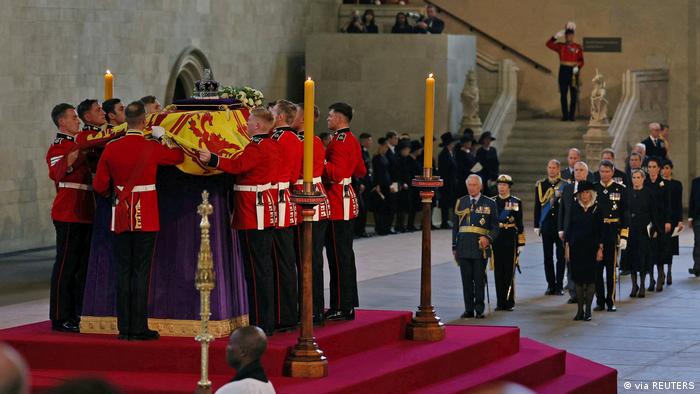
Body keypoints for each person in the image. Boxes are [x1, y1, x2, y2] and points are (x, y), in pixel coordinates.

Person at [94, 101, 184, 340]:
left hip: (121, 212)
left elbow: (100, 186)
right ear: (144, 121)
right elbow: (177, 156)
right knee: (141, 271)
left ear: (126, 121)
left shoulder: (112, 147)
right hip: (147, 213)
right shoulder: (150, 146)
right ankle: (139, 327)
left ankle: (125, 328)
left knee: (123, 270)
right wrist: (163, 138)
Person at [198, 107, 278, 335]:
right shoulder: (271, 144)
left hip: (253, 211)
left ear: (259, 126)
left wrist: (212, 158)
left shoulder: (256, 147)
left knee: (255, 272)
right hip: (263, 209)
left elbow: (237, 166)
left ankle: (260, 323)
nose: (246, 124)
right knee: (263, 270)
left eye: (250, 121)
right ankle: (265, 321)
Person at [46, 103, 95, 333]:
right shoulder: (58, 146)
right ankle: (59, 316)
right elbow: (57, 172)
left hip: (85, 211)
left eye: (77, 117)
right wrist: (81, 145)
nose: (77, 121)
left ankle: (76, 313)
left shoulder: (79, 143)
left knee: (80, 267)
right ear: (61, 122)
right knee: (65, 266)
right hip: (67, 212)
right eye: (73, 118)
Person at [323, 102, 367, 321]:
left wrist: (320, 161)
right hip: (346, 199)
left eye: (330, 116)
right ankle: (348, 304)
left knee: (338, 257)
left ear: (340, 118)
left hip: (336, 202)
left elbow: (337, 174)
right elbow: (360, 169)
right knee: (345, 256)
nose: (327, 119)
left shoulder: (339, 142)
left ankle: (341, 305)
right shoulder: (351, 139)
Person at [291, 103, 331, 324]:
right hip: (318, 199)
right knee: (313, 259)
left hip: (305, 199)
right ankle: (314, 308)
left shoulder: (303, 141)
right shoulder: (315, 140)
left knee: (306, 258)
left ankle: (308, 308)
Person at [269, 99, 302, 331]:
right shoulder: (295, 139)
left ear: (280, 117)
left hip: (277, 200)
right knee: (286, 262)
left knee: (279, 262)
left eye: (272, 111)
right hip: (287, 201)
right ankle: (289, 312)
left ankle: (282, 314)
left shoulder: (277, 139)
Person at [453, 175, 499, 319]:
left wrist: (488, 238)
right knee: (466, 280)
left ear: (480, 187)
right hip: (464, 246)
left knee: (479, 280)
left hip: (480, 247)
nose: (471, 187)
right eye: (469, 185)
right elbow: (456, 227)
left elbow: (495, 227)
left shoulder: (489, 203)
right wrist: (454, 246)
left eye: (474, 185)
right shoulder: (461, 202)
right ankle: (468, 309)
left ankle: (479, 309)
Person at [564, 181, 603, 321]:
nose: (585, 195)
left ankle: (588, 311)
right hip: (576, 248)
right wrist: (567, 247)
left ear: (591, 194)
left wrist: (600, 249)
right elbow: (569, 229)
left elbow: (601, 231)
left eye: (587, 192)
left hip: (592, 249)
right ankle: (579, 310)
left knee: (590, 280)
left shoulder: (598, 209)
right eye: (582, 193)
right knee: (578, 281)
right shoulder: (574, 207)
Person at [594, 160, 628, 312]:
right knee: (596, 269)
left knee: (610, 269)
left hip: (613, 231)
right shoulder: (594, 189)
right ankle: (600, 301)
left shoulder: (620, 189)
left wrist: (624, 235)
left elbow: (625, 214)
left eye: (607, 171)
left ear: (613, 172)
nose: (605, 174)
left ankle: (611, 300)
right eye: (602, 171)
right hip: (597, 232)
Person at [558, 161, 590, 303]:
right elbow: (562, 211)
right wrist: (561, 229)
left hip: (586, 232)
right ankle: (573, 293)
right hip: (570, 232)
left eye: (581, 170)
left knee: (584, 262)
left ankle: (584, 291)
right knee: (570, 262)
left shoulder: (592, 189)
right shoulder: (568, 189)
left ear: (587, 173)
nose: (578, 172)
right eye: (576, 170)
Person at [492, 175, 525, 311]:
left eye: (504, 185)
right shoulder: (492, 201)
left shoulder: (516, 202)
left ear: (509, 187)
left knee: (509, 272)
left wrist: (521, 243)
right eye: (499, 184)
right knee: (498, 272)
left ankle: (509, 301)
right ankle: (500, 302)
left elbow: (520, 223)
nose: (502, 187)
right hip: (496, 239)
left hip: (510, 238)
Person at [534, 159, 566, 296]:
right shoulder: (541, 184)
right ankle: (550, 285)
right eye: (549, 167)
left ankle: (559, 285)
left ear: (558, 169)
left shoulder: (565, 185)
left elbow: (566, 208)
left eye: (554, 167)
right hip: (546, 225)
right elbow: (537, 205)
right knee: (547, 257)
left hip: (560, 226)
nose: (551, 170)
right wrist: (536, 224)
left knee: (561, 257)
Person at [215, 326, 275, 394]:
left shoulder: (234, 389)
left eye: (230, 343)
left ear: (242, 352)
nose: (227, 348)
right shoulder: (268, 386)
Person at [627, 169, 657, 297]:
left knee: (643, 258)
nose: (636, 180)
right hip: (630, 229)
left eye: (639, 177)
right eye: (634, 177)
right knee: (631, 258)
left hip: (643, 230)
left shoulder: (649, 193)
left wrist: (654, 228)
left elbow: (654, 212)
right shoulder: (627, 192)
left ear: (643, 179)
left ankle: (643, 285)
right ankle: (634, 285)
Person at [546, 22, 584, 121]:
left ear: (573, 36)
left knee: (573, 95)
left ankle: (571, 116)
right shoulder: (560, 46)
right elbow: (548, 44)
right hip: (563, 70)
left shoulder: (578, 47)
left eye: (570, 35)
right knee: (563, 95)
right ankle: (565, 116)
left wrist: (577, 68)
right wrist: (555, 36)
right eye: (567, 35)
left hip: (574, 71)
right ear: (565, 36)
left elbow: (581, 60)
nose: (569, 37)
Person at [644, 157, 672, 292]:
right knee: (649, 251)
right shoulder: (644, 183)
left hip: (660, 221)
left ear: (659, 169)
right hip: (648, 221)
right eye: (649, 167)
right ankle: (651, 279)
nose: (651, 169)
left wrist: (668, 221)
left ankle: (661, 276)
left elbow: (668, 205)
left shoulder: (664, 184)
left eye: (654, 167)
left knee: (660, 250)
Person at [661, 160, 683, 285]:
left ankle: (669, 271)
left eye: (667, 167)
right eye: (663, 168)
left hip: (673, 219)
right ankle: (661, 272)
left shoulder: (677, 184)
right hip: (661, 219)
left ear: (671, 169)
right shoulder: (659, 183)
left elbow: (679, 203)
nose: (665, 170)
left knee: (671, 246)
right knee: (661, 246)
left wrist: (680, 220)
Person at [371, 137, 393, 235]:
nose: (386, 149)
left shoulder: (385, 157)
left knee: (387, 207)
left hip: (386, 184)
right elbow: (376, 172)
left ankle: (386, 227)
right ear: (381, 146)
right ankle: (380, 228)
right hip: (380, 184)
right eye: (385, 147)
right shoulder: (376, 158)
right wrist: (377, 185)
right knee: (380, 207)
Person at [438, 132, 458, 229]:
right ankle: (444, 221)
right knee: (445, 203)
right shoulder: (443, 155)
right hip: (446, 183)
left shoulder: (451, 153)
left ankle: (450, 220)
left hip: (452, 182)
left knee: (452, 202)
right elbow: (444, 171)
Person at [354, 133, 373, 238]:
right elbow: (358, 167)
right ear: (364, 140)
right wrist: (360, 182)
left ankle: (362, 230)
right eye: (369, 140)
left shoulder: (366, 152)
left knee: (364, 208)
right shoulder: (360, 151)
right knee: (361, 208)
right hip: (361, 184)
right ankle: (358, 230)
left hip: (366, 184)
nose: (371, 142)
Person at [406, 140, 423, 231]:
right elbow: (409, 174)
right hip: (412, 186)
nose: (421, 151)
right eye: (420, 149)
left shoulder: (416, 160)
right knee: (411, 207)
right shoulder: (409, 160)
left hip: (417, 186)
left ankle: (411, 224)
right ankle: (409, 224)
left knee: (414, 207)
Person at [476, 131, 499, 196]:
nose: (488, 141)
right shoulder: (480, 151)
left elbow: (496, 163)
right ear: (483, 140)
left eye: (489, 139)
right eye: (486, 139)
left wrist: (495, 175)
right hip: (485, 177)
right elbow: (479, 165)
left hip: (493, 177)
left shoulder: (493, 150)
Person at [455, 133, 478, 199]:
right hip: (464, 180)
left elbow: (475, 162)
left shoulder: (469, 153)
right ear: (464, 143)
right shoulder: (460, 153)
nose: (470, 143)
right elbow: (461, 167)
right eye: (468, 142)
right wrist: (471, 170)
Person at [688, 174, 700, 277]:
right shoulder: (696, 182)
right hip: (698, 217)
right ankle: (697, 267)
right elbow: (692, 199)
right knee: (698, 242)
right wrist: (690, 217)